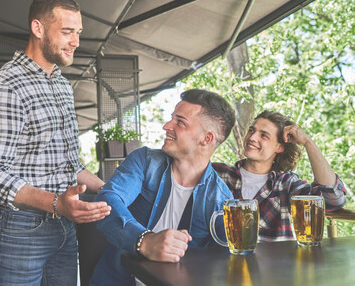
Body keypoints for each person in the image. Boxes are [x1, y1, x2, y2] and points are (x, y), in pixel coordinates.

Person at [0, 0, 111, 285]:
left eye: (78, 32)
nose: (76, 41)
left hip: (64, 229)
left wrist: (110, 189)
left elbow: (70, 164)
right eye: (67, 32)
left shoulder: (60, 84)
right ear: (38, 28)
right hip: (17, 231)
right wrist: (56, 202)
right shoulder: (3, 85)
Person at [90, 89, 236, 286]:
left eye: (180, 122)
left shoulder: (222, 201)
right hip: (118, 279)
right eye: (171, 119)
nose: (166, 126)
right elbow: (106, 200)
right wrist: (144, 240)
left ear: (206, 139)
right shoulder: (145, 161)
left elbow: (222, 265)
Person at [212, 110, 346, 242]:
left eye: (264, 135)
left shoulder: (286, 184)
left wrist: (308, 143)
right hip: (225, 262)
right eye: (252, 130)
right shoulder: (218, 174)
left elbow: (332, 199)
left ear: (279, 147)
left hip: (275, 263)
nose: (252, 137)